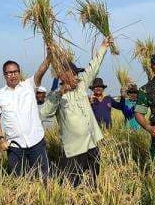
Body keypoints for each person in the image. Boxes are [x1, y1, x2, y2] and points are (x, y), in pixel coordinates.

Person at [40, 37, 114, 186]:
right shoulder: (57, 95)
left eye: (77, 75)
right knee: (74, 180)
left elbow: (93, 67)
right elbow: (44, 113)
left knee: (94, 176)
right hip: (74, 148)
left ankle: (94, 197)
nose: (77, 77)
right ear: (64, 76)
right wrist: (60, 92)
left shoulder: (81, 87)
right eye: (74, 74)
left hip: (92, 142)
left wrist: (103, 47)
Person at [0, 51, 51, 178]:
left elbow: (40, 71)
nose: (12, 75)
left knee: (43, 178)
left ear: (19, 72)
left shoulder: (29, 85)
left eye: (15, 72)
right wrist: (0, 138)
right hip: (15, 147)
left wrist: (49, 57)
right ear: (4, 75)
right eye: (9, 73)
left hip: (36, 142)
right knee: (20, 181)